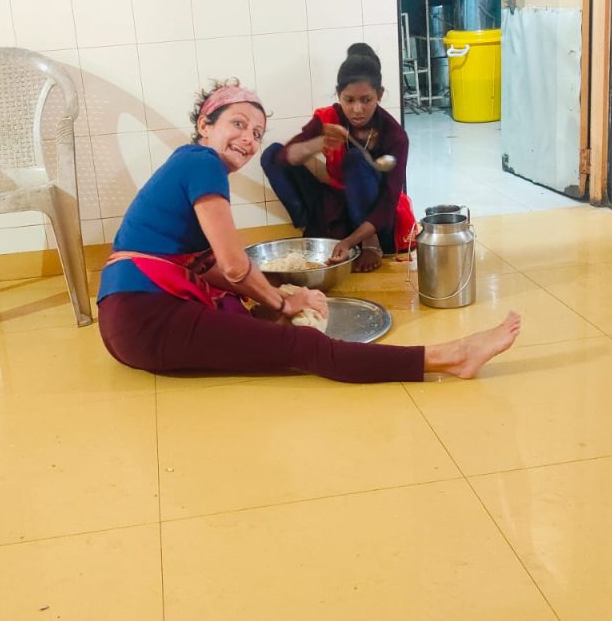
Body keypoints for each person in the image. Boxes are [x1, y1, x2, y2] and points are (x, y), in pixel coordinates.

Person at [97, 79, 521, 384]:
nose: (249, 139)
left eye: (257, 133)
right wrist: (286, 299)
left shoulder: (189, 164)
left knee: (258, 317)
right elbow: (231, 265)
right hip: (144, 319)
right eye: (238, 124)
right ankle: (451, 357)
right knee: (304, 347)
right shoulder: (202, 163)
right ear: (206, 124)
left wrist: (274, 299)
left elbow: (207, 267)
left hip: (128, 322)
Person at [261, 43, 416, 274]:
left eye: (366, 100)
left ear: (380, 95)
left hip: (375, 219)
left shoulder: (395, 136)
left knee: (355, 159)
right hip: (335, 202)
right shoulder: (330, 118)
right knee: (271, 153)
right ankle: (314, 229)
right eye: (349, 100)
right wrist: (317, 143)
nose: (357, 109)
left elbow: (387, 203)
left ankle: (368, 243)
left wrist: (350, 242)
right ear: (338, 94)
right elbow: (284, 158)